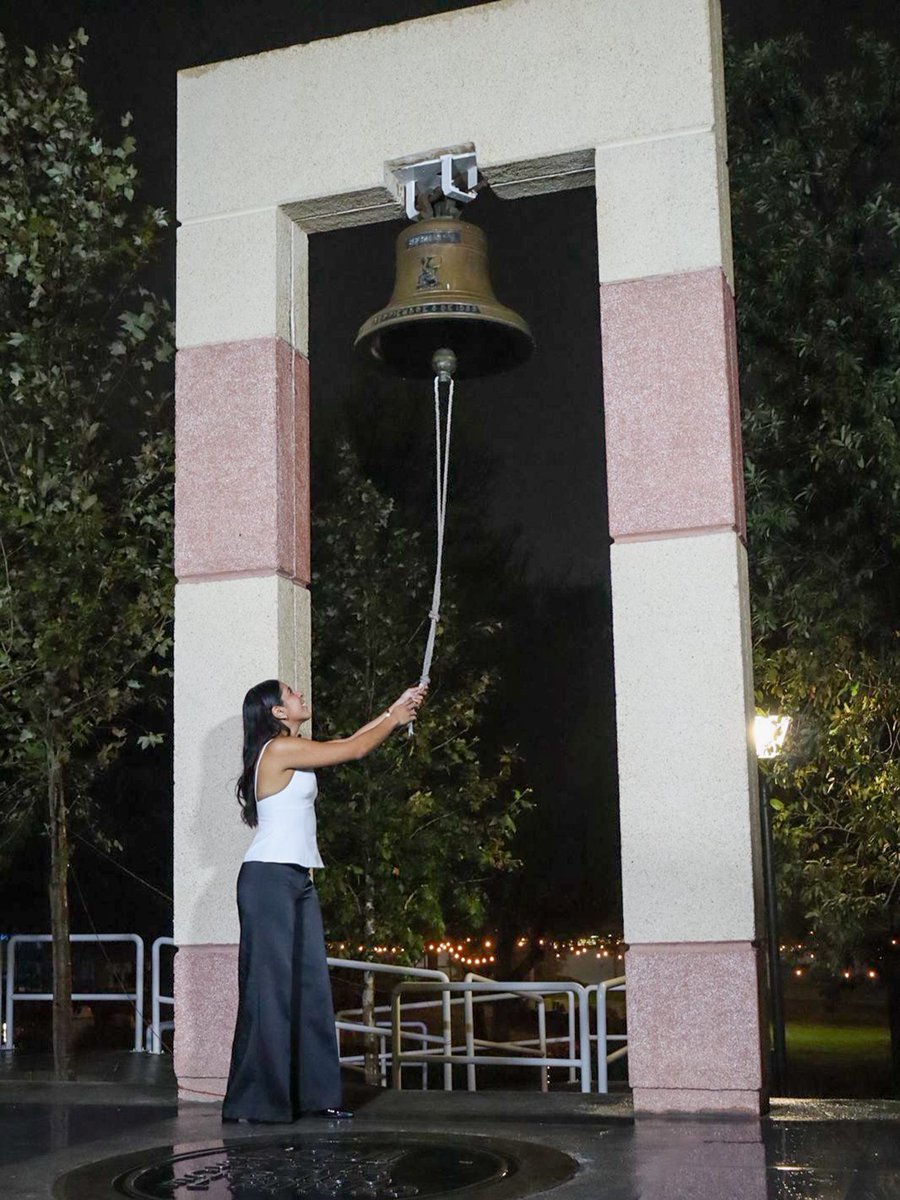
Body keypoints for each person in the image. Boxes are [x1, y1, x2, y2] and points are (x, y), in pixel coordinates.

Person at [222, 678, 426, 1124]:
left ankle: (314, 1096)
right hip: (268, 880)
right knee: (269, 993)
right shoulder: (277, 750)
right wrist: (393, 720)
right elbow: (351, 751)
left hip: (297, 880)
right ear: (276, 712)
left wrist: (395, 706)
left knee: (311, 988)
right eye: (291, 694)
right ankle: (257, 1103)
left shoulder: (292, 746)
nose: (300, 697)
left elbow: (351, 740)